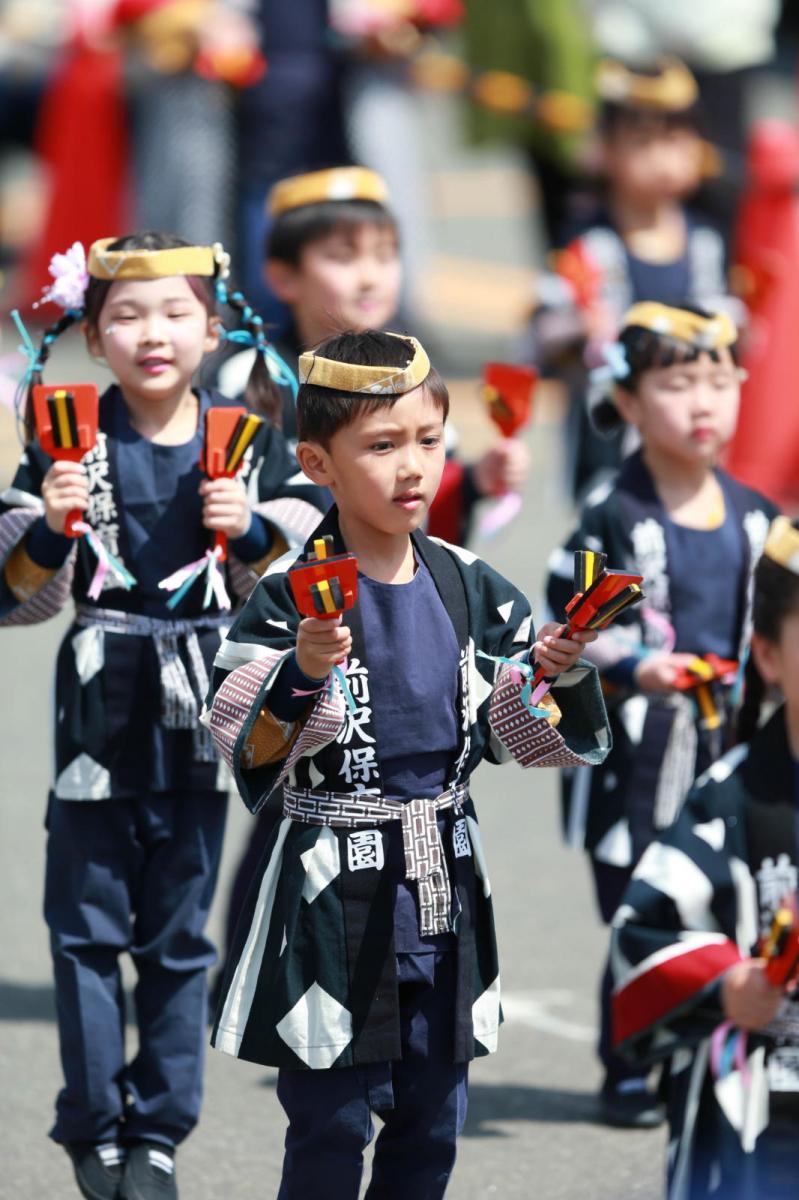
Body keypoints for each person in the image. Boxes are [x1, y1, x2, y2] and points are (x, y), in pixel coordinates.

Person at [205, 329, 611, 1197]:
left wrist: (550, 668)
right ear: (316, 462)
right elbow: (242, 736)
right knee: (331, 1120)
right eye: (381, 446)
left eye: (427, 440)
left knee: (432, 1115)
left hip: (443, 884)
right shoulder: (287, 592)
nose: (411, 467)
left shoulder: (469, 582)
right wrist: (305, 670)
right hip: (331, 891)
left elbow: (506, 732)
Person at [0, 232, 325, 1200]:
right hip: (97, 706)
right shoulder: (67, 428)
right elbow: (12, 592)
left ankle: (160, 1128)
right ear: (92, 336)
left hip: (199, 708)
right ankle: (93, 1123)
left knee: (179, 939)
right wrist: (51, 528)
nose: (154, 333)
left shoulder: (247, 440)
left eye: (177, 311)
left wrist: (252, 529)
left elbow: (306, 575)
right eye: (127, 315)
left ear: (213, 327)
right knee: (86, 930)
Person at [544, 302, 778, 1127]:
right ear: (630, 403)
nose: (703, 403)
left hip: (738, 740)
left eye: (719, 382)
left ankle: (717, 1048)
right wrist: (637, 665)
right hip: (641, 751)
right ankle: (630, 1062)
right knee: (641, 901)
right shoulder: (613, 512)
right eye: (678, 384)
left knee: (730, 899)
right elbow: (570, 617)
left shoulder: (759, 516)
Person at [611, 514, 799, 1199]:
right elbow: (642, 934)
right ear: (770, 656)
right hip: (756, 1110)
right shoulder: (729, 798)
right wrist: (726, 985)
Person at [217, 164, 531, 544]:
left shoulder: (413, 372)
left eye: (385, 256)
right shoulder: (255, 377)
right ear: (284, 277)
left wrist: (477, 480)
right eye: (343, 258)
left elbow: (434, 508)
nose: (370, 277)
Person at [530, 57, 733, 501]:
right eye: (643, 143)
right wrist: (578, 326)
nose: (663, 160)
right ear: (605, 149)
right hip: (608, 439)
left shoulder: (705, 243)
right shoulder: (587, 245)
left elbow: (726, 323)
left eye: (677, 142)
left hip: (691, 434)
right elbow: (539, 334)